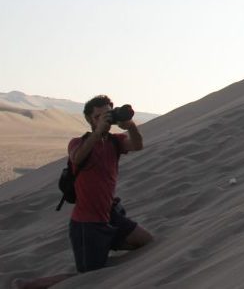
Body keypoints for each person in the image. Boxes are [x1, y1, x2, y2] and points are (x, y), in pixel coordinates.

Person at [13, 96, 153, 289]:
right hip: (87, 224)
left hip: (110, 216)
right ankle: (28, 285)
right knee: (87, 278)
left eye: (107, 114)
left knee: (146, 241)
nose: (104, 119)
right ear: (89, 119)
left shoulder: (115, 142)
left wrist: (130, 126)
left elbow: (137, 145)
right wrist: (97, 133)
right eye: (98, 116)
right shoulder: (77, 143)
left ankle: (108, 243)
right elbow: (77, 158)